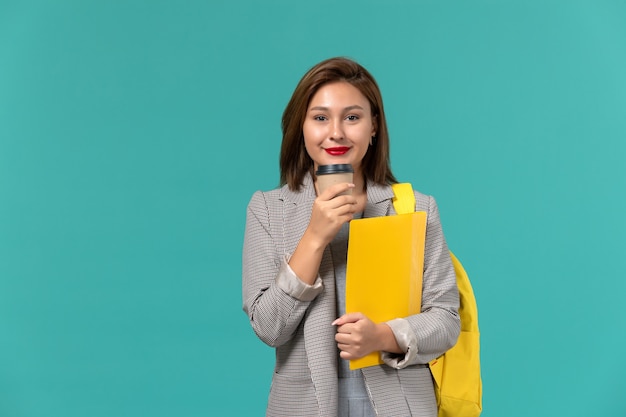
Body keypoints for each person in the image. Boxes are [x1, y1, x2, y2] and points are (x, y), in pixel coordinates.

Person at [242, 57, 460, 417]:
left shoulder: (416, 208)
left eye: (353, 117)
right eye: (321, 117)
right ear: (301, 127)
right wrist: (314, 237)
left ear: (374, 127)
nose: (337, 132)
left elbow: (446, 320)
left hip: (400, 405)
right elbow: (268, 328)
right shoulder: (268, 209)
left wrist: (383, 337)